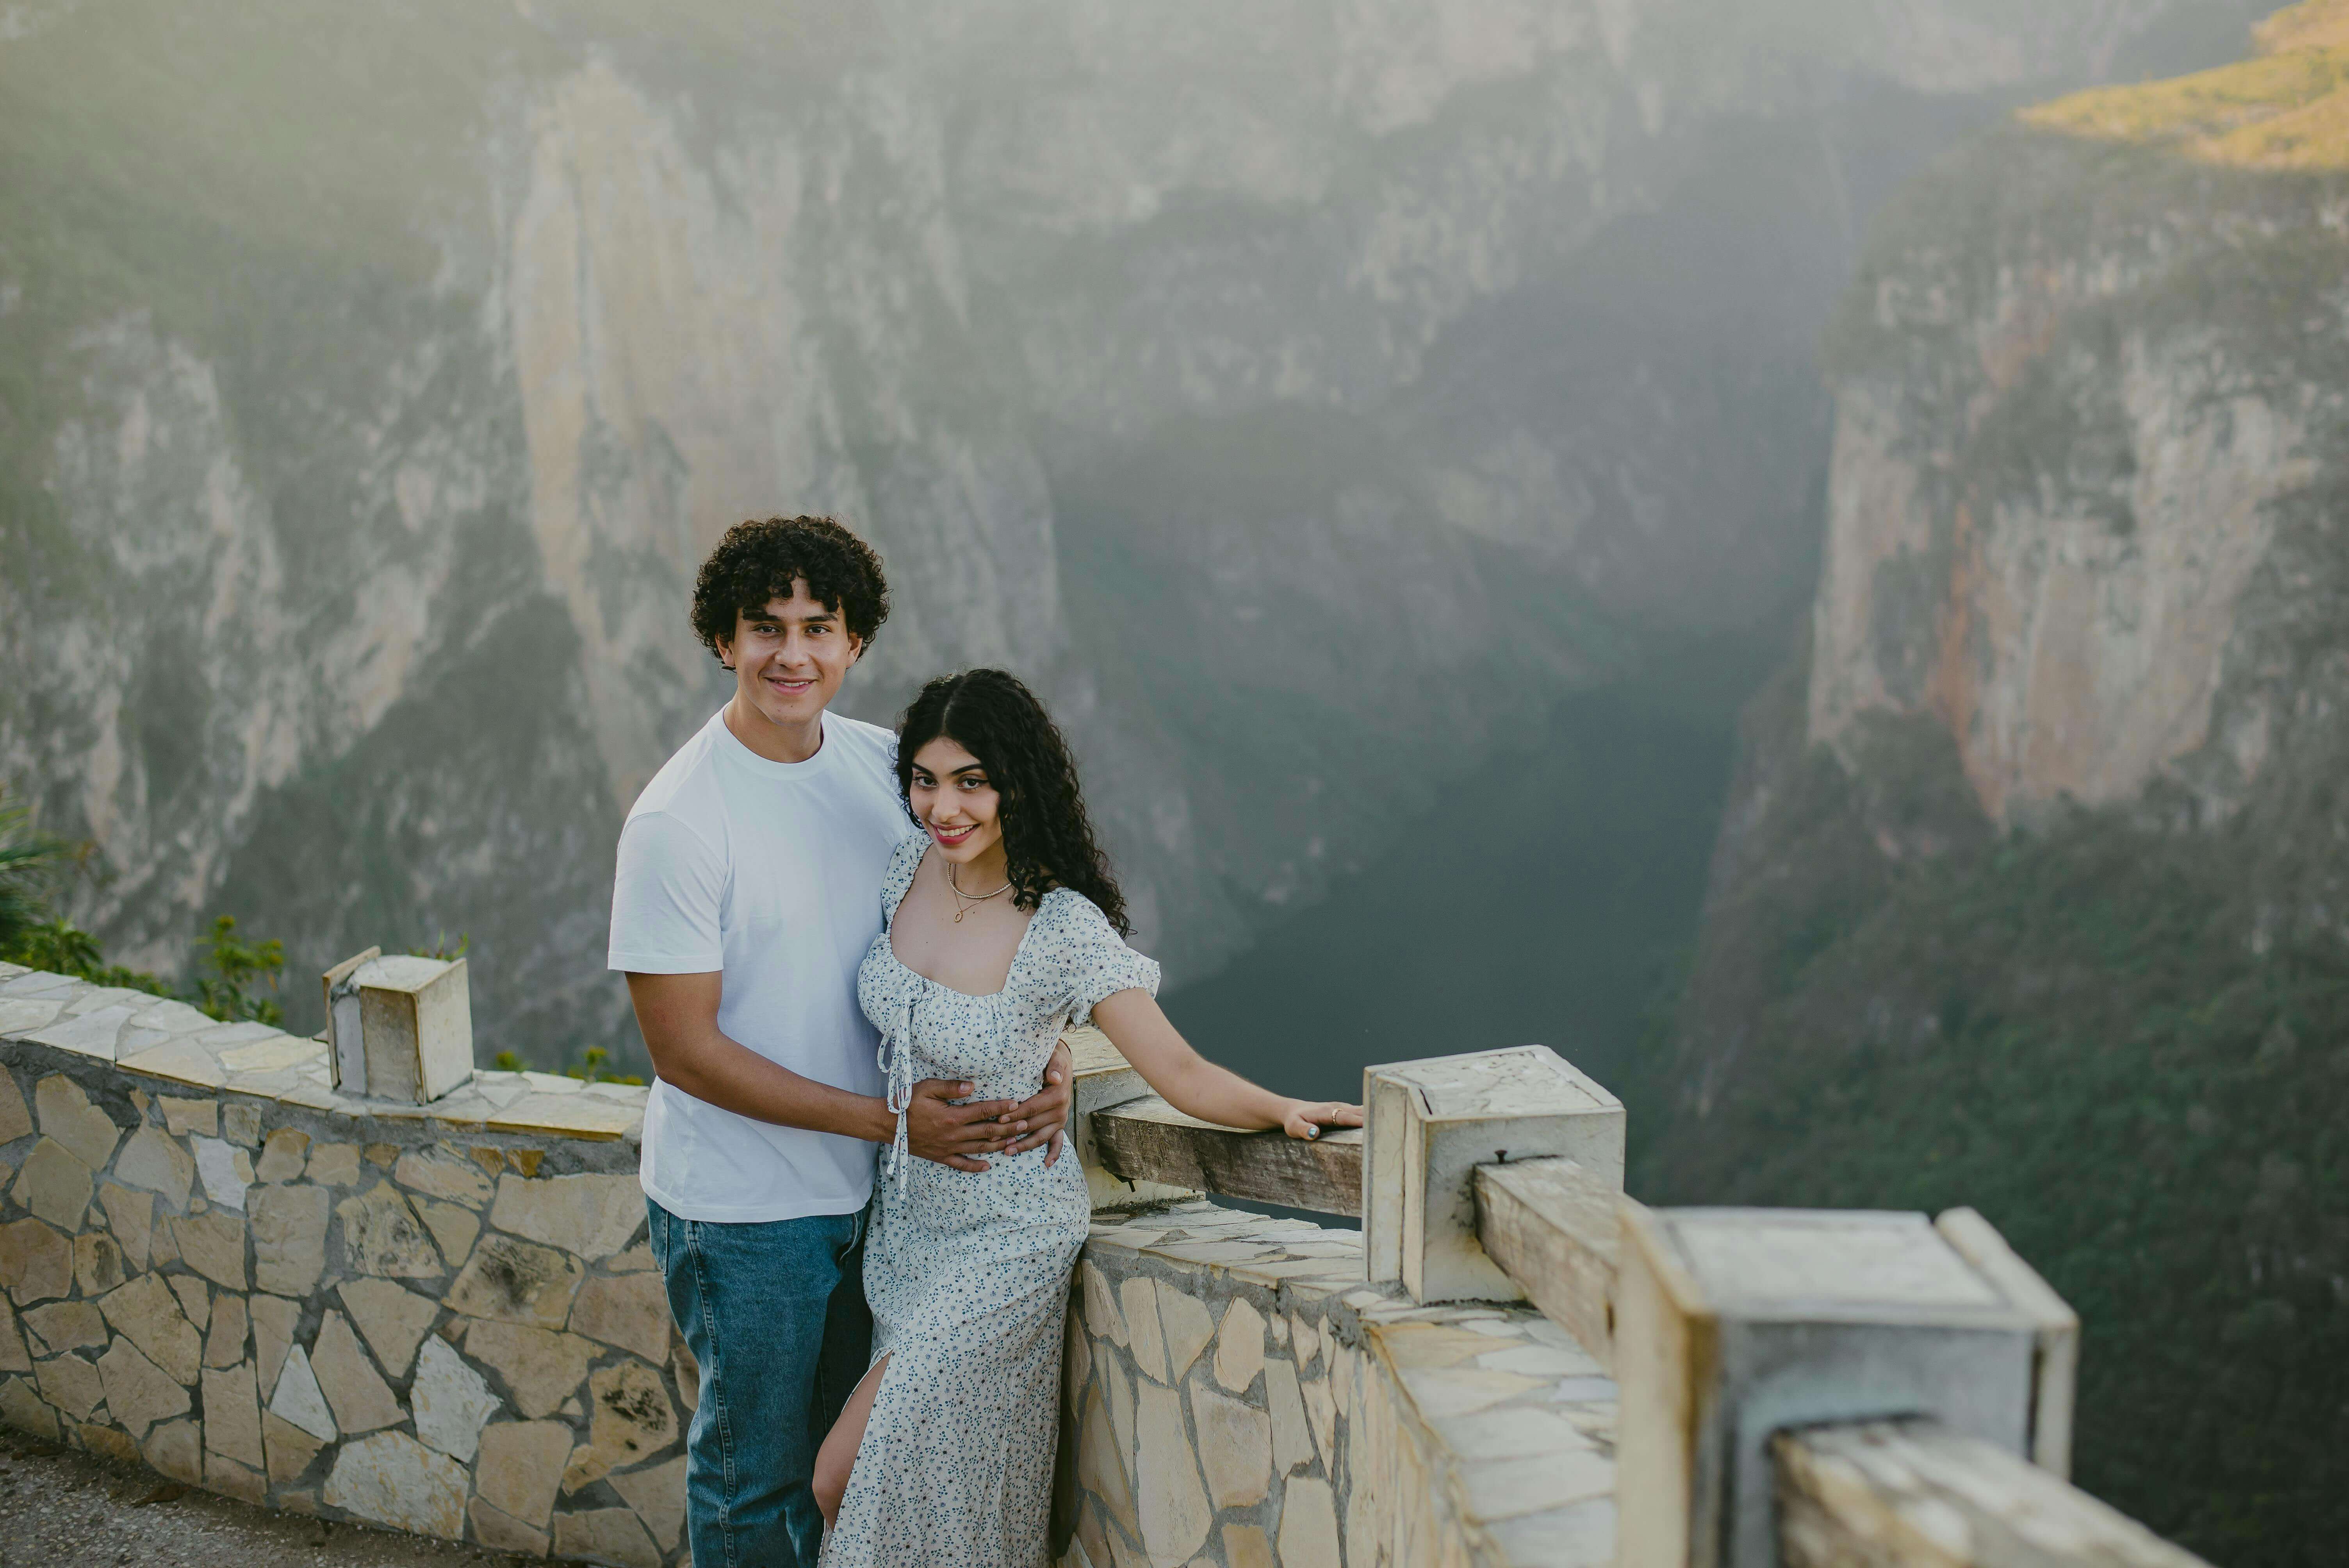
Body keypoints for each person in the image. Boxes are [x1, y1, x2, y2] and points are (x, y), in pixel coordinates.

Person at [811, 668, 1363, 1566]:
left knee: (845, 1475)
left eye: (970, 781)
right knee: (931, 1495)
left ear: (1016, 784)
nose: (941, 806)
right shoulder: (905, 868)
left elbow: (1176, 1067)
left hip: (1004, 1238)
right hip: (907, 1231)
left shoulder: (1059, 927)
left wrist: (1282, 1109)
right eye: (924, 778)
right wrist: (1038, 1059)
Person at [608, 518, 1076, 1568]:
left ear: (856, 641)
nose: (793, 653)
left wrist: (1048, 1050)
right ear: (723, 641)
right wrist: (891, 1122)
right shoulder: (679, 822)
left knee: (845, 1476)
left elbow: (985, 925)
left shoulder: (885, 772)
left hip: (881, 1201)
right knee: (755, 1484)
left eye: (819, 626)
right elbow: (684, 1052)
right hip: (746, 1214)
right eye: (765, 627)